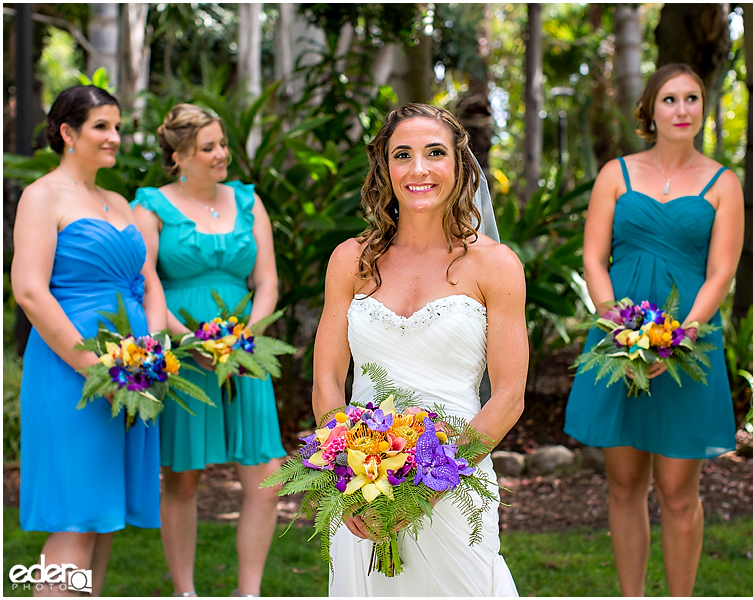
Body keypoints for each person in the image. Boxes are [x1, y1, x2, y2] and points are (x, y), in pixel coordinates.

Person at [314, 103, 527, 596]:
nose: (419, 169)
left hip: (456, 488)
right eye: (402, 155)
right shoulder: (351, 260)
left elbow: (509, 396)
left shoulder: (494, 266)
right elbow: (328, 381)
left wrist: (431, 486)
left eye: (435, 153)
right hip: (363, 489)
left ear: (459, 166)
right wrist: (346, 474)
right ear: (384, 168)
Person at [563, 64, 744, 596]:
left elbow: (722, 273)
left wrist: (682, 336)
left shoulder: (723, 182)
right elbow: (594, 259)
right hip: (618, 338)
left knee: (678, 489)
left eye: (692, 99)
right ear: (649, 111)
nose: (683, 109)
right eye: (670, 99)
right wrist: (618, 326)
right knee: (623, 484)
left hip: (689, 342)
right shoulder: (615, 174)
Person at [12, 85, 162, 596]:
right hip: (70, 372)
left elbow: (148, 284)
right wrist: (97, 366)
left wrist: (151, 357)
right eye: (102, 126)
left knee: (101, 520)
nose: (114, 137)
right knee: (74, 521)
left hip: (132, 374)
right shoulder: (42, 196)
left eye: (118, 126)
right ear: (67, 133)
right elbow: (30, 291)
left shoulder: (116, 201)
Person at [131, 104, 285, 597]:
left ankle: (250, 591)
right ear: (178, 157)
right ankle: (185, 591)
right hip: (181, 348)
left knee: (267, 476)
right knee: (183, 478)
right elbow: (145, 278)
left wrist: (246, 340)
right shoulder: (150, 205)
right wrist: (188, 339)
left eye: (222, 144)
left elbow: (266, 280)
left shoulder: (248, 200)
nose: (222, 154)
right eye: (209, 147)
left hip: (244, 351)